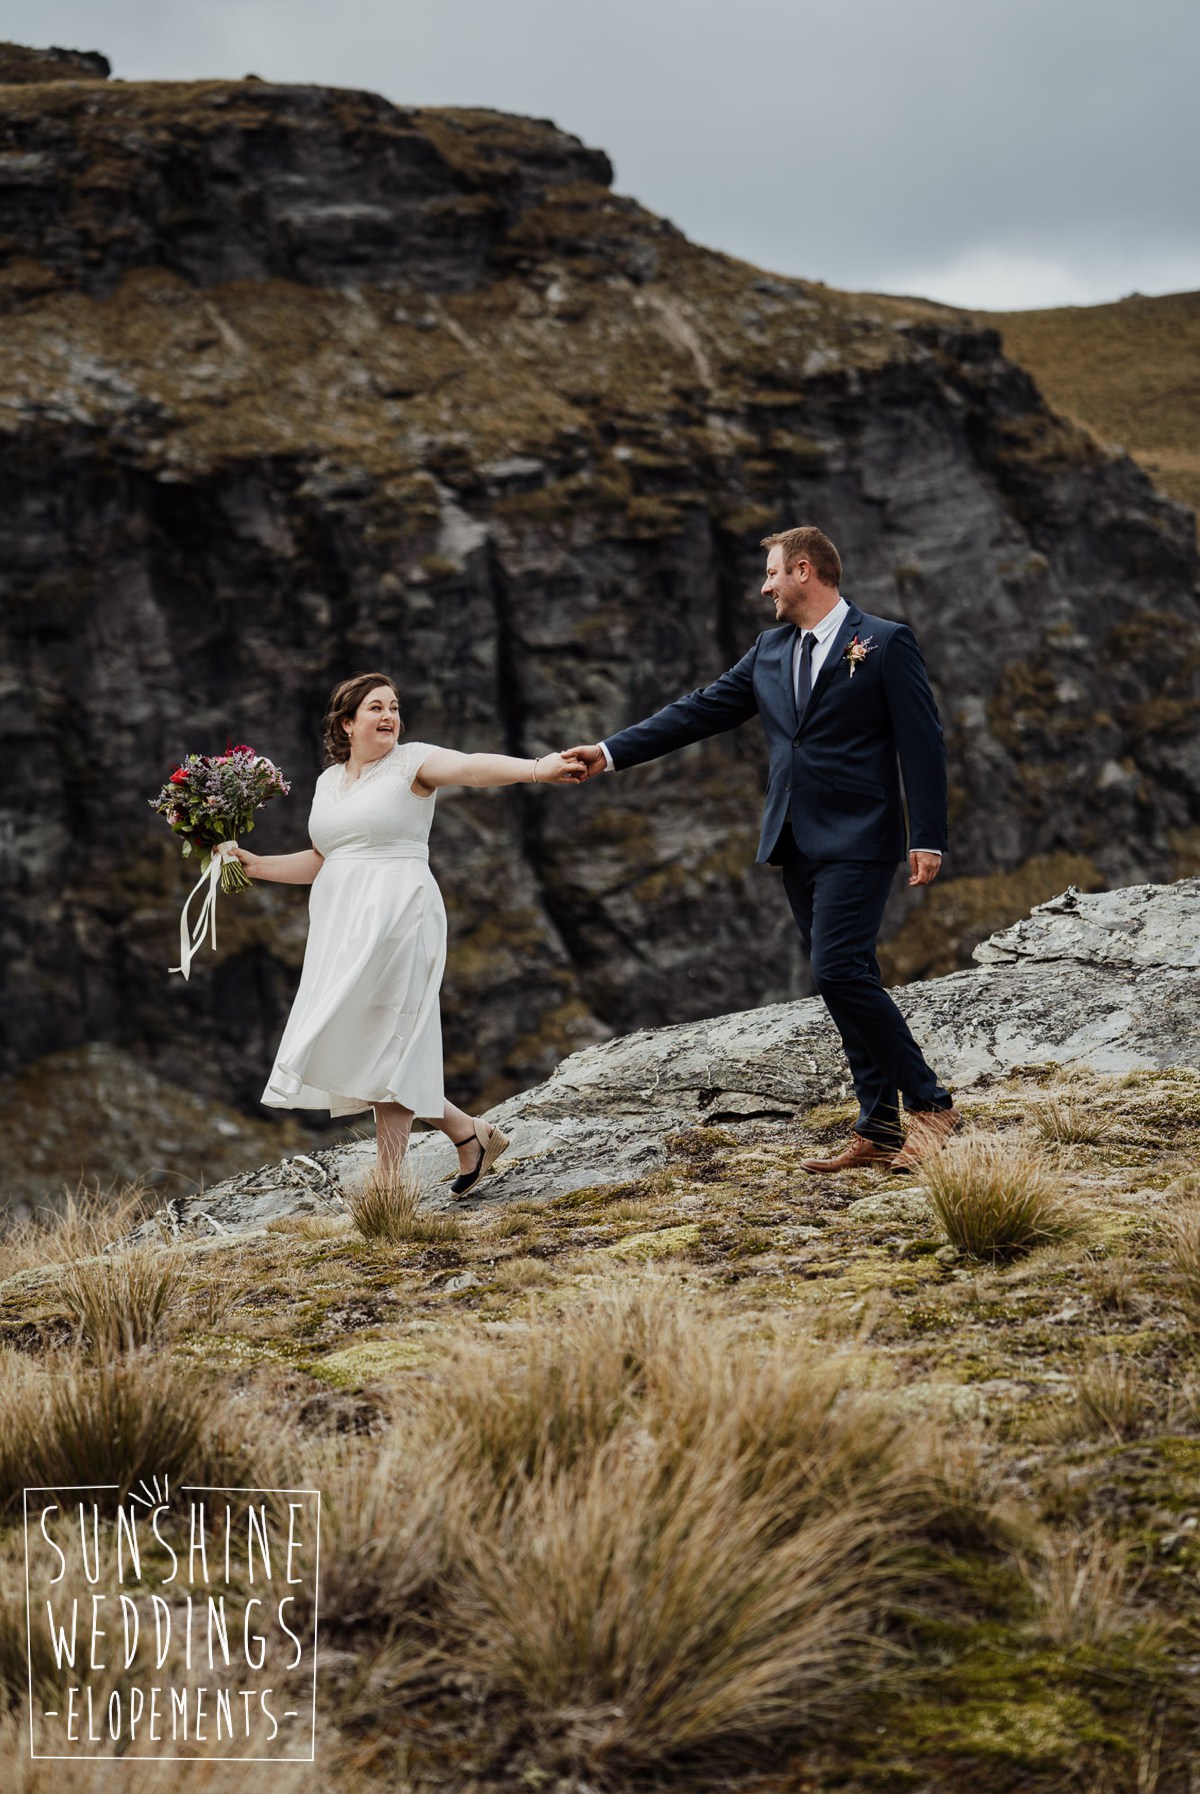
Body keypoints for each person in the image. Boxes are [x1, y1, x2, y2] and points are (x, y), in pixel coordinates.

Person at [566, 526, 960, 1175]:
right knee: (841, 979)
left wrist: (929, 834)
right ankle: (880, 1126)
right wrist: (608, 753)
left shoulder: (885, 643)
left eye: (773, 573)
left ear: (805, 570)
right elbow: (699, 711)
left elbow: (923, 741)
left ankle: (932, 1104)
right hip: (793, 837)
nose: (765, 586)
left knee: (838, 971)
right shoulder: (770, 650)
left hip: (861, 836)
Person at [232, 673, 584, 1195]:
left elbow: (468, 767)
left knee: (389, 1038)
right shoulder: (329, 783)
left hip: (400, 909)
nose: (389, 716)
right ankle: (470, 1134)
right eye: (375, 708)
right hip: (343, 923)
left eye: (394, 706)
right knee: (364, 1041)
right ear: (347, 724)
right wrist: (255, 865)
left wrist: (537, 769)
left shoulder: (412, 761)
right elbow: (326, 859)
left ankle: (389, 1182)